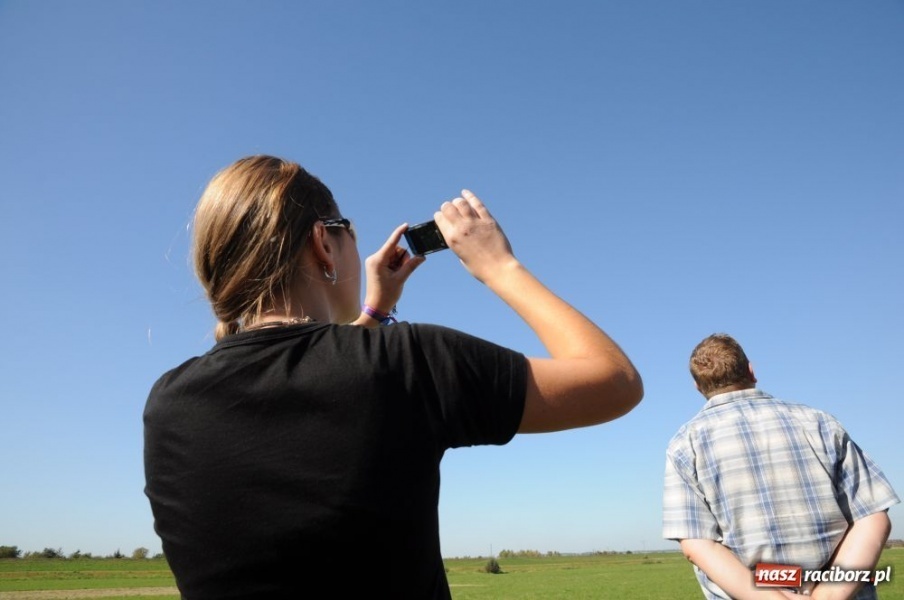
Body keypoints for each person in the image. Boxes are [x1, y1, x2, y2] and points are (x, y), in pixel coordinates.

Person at [144, 155, 643, 599]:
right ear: (322, 242)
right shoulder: (408, 361)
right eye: (347, 230)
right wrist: (498, 266)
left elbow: (309, 380)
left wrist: (375, 312)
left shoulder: (167, 403)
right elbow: (614, 381)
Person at [662, 333, 899, 600]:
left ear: (697, 386)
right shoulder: (819, 423)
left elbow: (697, 545)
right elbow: (872, 518)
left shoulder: (685, 444)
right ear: (751, 371)